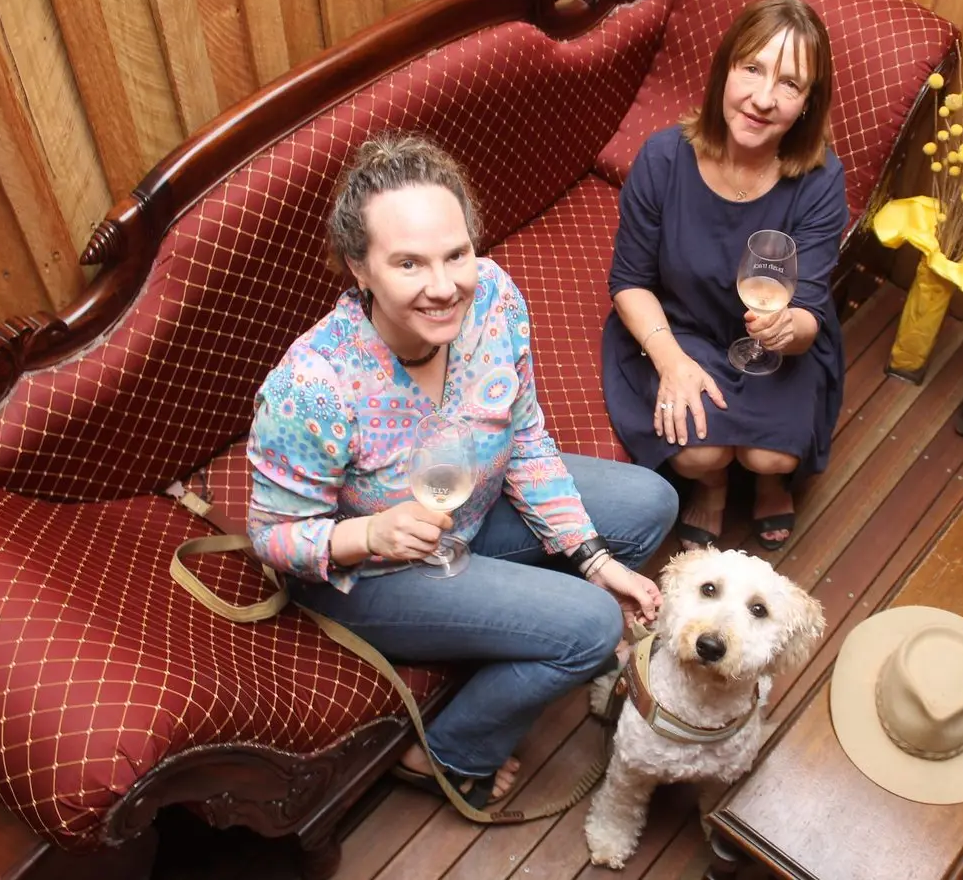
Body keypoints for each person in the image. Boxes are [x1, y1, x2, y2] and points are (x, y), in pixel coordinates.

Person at [245, 132, 677, 808]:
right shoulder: (313, 386)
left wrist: (593, 559)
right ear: (359, 269)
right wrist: (372, 535)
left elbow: (526, 436)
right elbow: (270, 536)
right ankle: (443, 754)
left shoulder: (496, 302)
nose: (444, 287)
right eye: (409, 264)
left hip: (471, 513)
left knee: (651, 503)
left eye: (457, 254)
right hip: (373, 575)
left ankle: (526, 625)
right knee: (594, 628)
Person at [602, 0, 847, 552]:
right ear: (723, 71)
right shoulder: (664, 158)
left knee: (771, 453)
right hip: (682, 324)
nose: (763, 99)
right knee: (698, 454)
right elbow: (630, 281)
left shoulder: (819, 178)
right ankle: (712, 486)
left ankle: (769, 481)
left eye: (790, 84)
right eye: (752, 69)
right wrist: (671, 361)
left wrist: (791, 329)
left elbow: (807, 309)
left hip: (774, 342)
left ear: (809, 103)